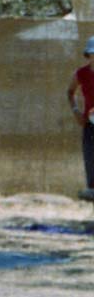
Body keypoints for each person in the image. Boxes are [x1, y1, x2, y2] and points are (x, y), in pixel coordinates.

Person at [66, 35, 94, 201]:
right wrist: (76, 111)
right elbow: (70, 92)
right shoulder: (81, 73)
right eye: (92, 54)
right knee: (90, 155)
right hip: (89, 122)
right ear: (88, 55)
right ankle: (92, 190)